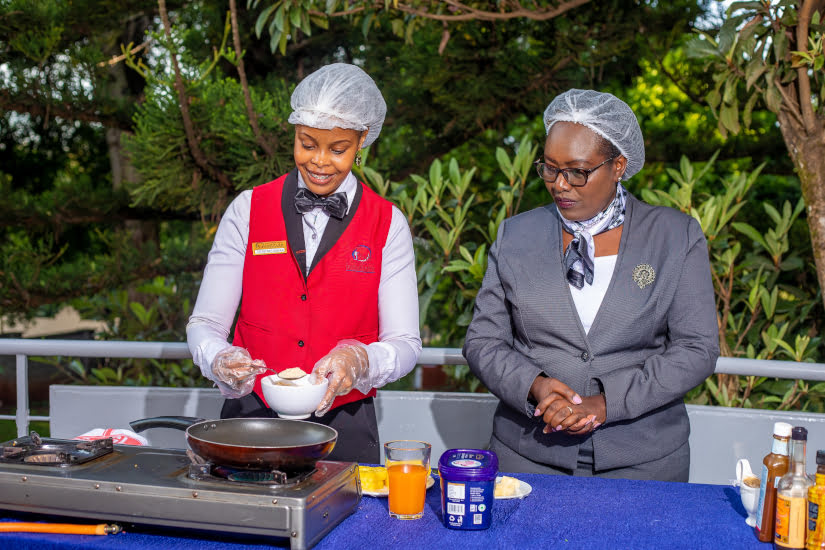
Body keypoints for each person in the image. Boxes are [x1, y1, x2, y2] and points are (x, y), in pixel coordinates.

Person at [463, 89, 719, 481]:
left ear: (618, 165)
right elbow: (483, 341)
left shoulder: (675, 236)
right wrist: (536, 386)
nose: (560, 184)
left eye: (578, 171)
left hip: (643, 461)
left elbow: (696, 349)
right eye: (549, 168)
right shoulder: (516, 236)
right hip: (528, 455)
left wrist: (606, 403)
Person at [186, 63, 421, 463]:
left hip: (344, 426)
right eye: (307, 144)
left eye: (338, 149)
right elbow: (205, 325)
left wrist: (361, 359)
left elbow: (406, 344)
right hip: (250, 420)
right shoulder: (247, 209)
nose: (320, 162)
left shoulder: (388, 224)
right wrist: (219, 358)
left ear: (363, 139)